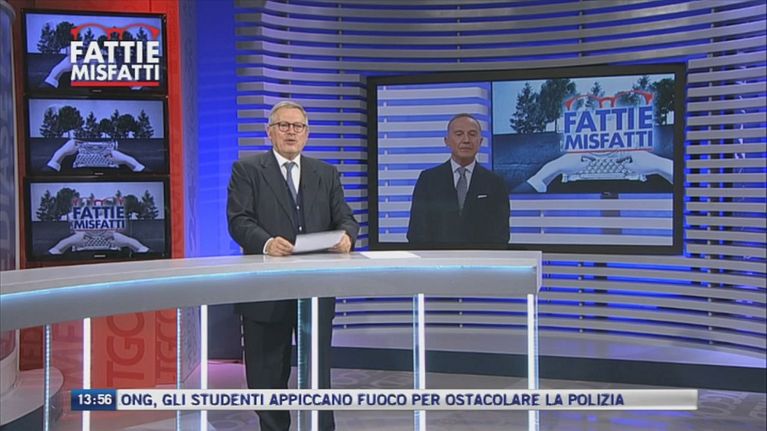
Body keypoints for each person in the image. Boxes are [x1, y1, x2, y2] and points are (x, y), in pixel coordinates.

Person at [226, 101, 359, 431]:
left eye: (298, 126)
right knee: (267, 375)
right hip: (264, 291)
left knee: (317, 374)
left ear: (307, 134)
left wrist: (347, 237)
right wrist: (267, 243)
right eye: (283, 126)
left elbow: (345, 217)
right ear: (269, 132)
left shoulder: (325, 173)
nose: (291, 132)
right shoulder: (247, 169)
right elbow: (239, 220)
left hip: (315, 290)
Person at [407, 113, 510, 248]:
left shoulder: (495, 183)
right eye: (459, 134)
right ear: (447, 141)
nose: (466, 140)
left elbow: (501, 236)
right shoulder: (428, 180)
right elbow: (417, 232)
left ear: (480, 142)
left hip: (481, 259)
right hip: (437, 259)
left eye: (472, 134)